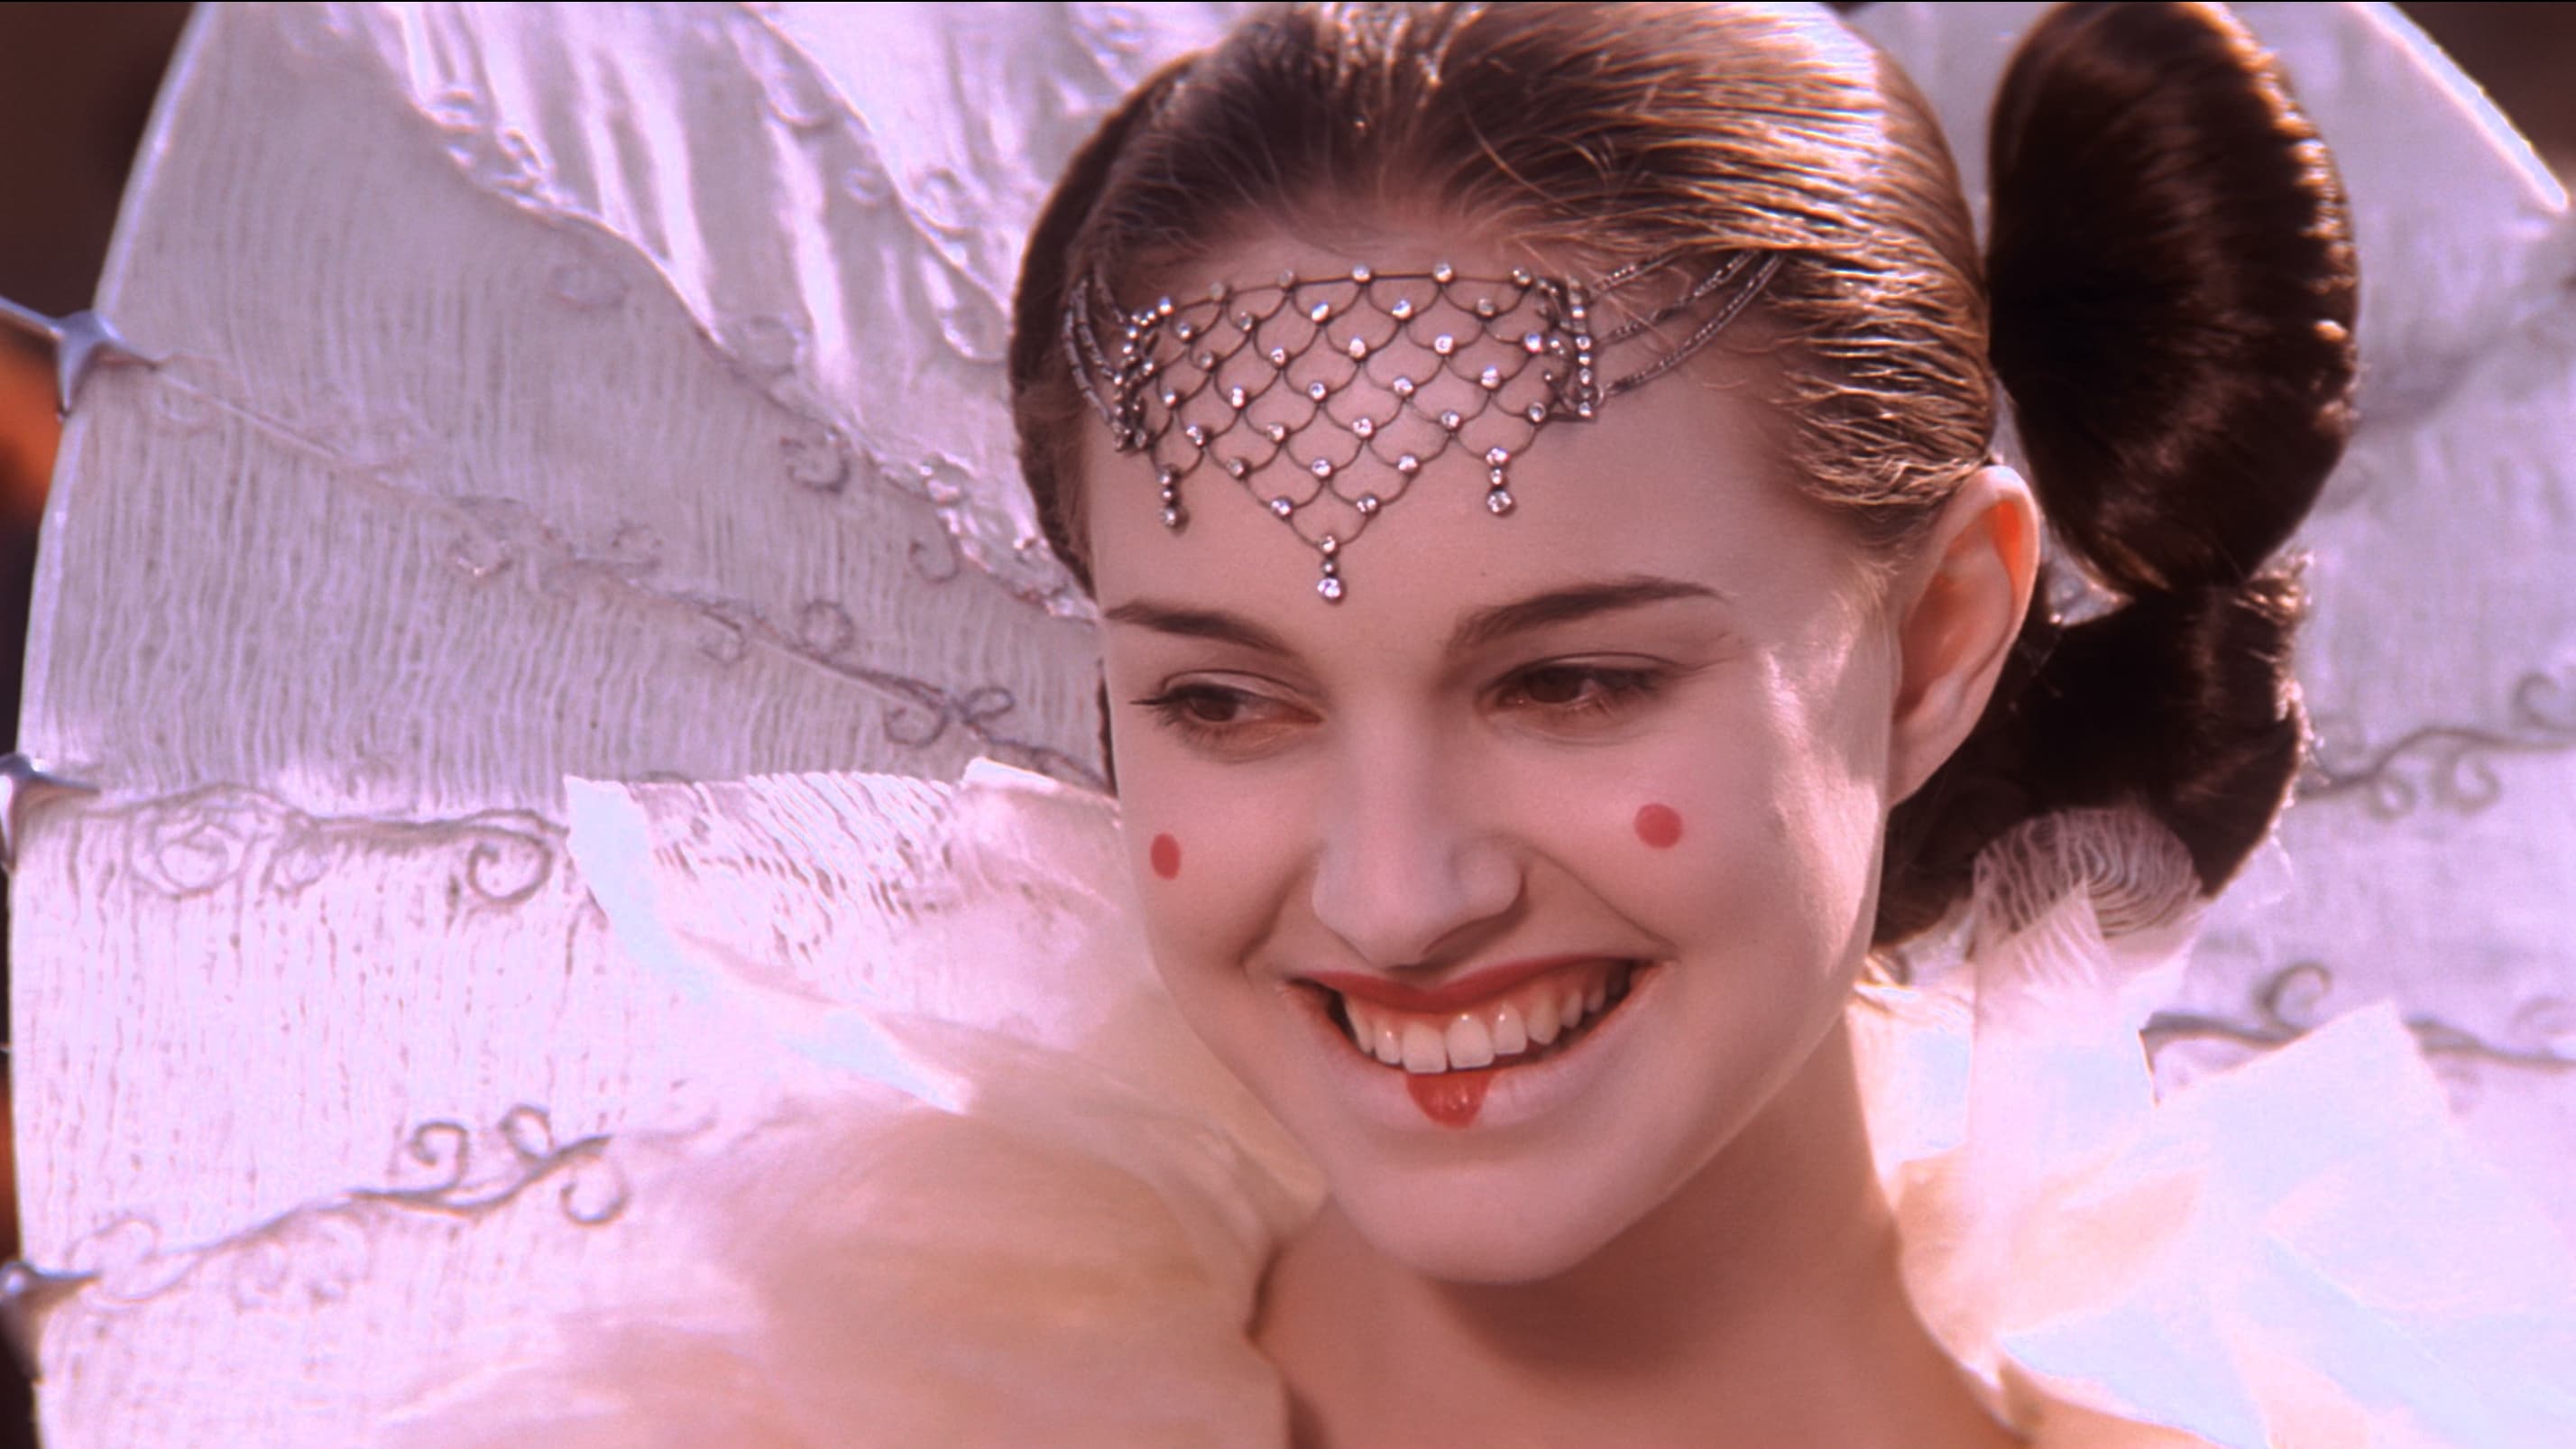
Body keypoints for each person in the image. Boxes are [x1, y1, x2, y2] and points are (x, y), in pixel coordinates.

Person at [995, 1, 2352, 1443]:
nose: (1394, 901)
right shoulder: (866, 1370)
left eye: (1571, 683)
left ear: (1935, 640)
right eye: (1221, 700)